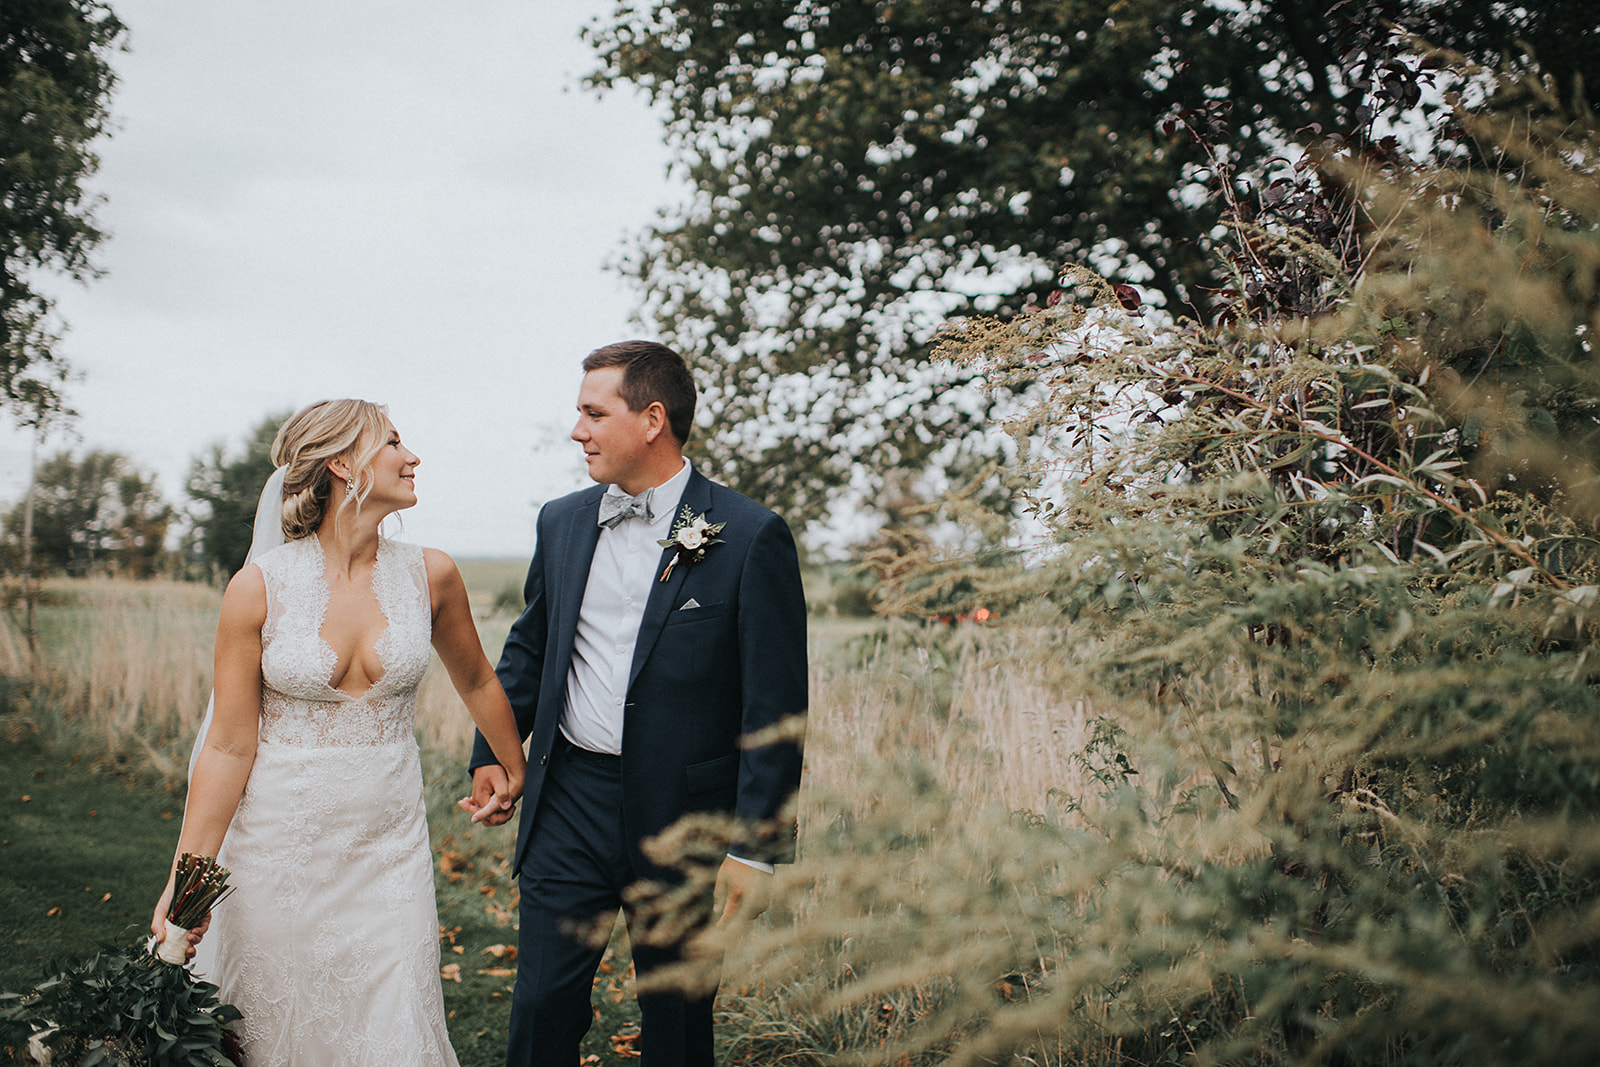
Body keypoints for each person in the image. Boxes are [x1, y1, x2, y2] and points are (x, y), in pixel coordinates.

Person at [151, 399, 528, 1067]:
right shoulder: (258, 588)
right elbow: (229, 746)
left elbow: (475, 678)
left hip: (390, 847)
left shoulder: (432, 574)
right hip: (278, 849)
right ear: (343, 464)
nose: (412, 457)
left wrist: (511, 763)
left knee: (396, 1024)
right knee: (277, 1025)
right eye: (394, 443)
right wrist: (188, 878)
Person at [463, 341, 807, 1067]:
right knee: (541, 1005)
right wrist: (493, 752)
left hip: (686, 814)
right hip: (569, 798)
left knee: (677, 1020)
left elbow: (775, 707)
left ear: (652, 419)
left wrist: (754, 847)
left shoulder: (751, 535)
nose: (577, 431)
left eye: (594, 414)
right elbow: (530, 649)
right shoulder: (561, 521)